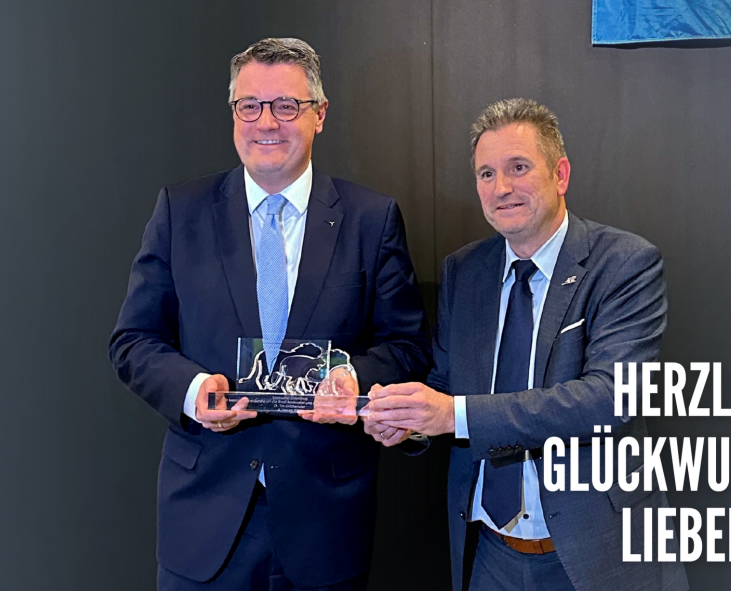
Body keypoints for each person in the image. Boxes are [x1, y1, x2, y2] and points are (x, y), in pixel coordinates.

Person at [109, 37, 430, 591]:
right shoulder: (180, 212)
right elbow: (133, 340)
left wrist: (352, 380)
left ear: (319, 114)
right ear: (234, 113)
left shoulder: (371, 219)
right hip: (204, 518)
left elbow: (407, 345)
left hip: (325, 520)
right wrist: (192, 391)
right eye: (249, 105)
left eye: (286, 105)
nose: (266, 122)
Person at [363, 98, 688, 591]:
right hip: (488, 554)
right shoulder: (464, 271)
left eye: (518, 167)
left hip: (593, 552)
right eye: (486, 174)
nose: (502, 188)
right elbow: (445, 386)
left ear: (560, 175)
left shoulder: (623, 263)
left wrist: (452, 414)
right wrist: (407, 422)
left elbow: (610, 397)